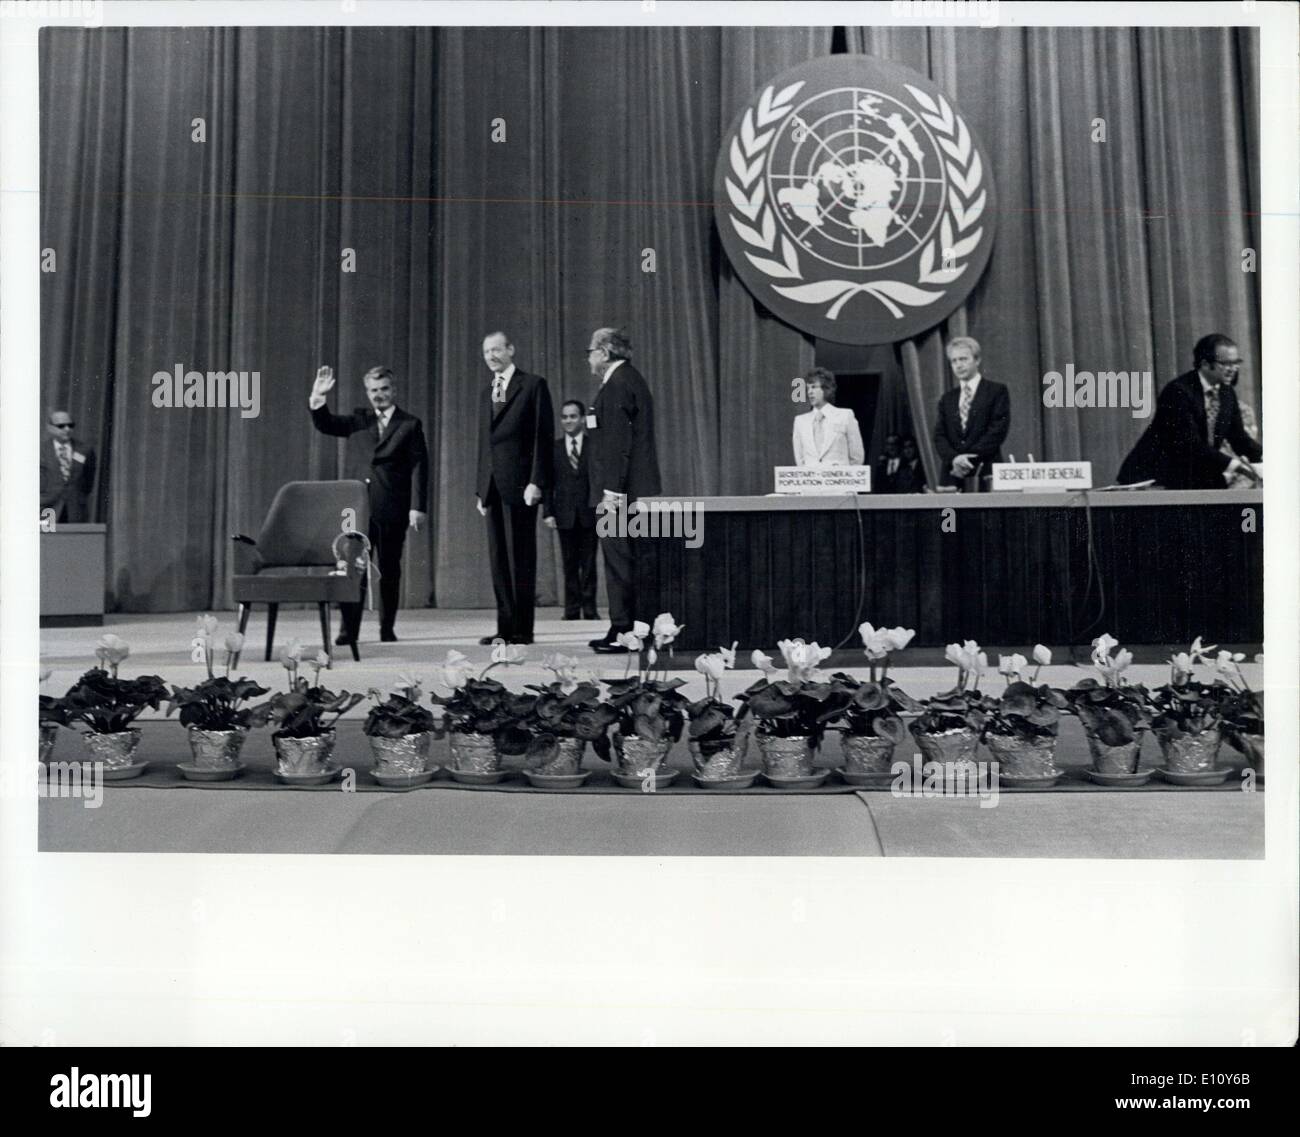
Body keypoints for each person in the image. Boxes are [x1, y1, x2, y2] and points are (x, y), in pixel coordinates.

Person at [308, 365, 429, 644]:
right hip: (356, 510)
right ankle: (348, 631)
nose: (379, 395)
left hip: (392, 507)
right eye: (373, 390)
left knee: (389, 569)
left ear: (394, 390)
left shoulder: (409, 424)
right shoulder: (358, 420)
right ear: (367, 392)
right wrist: (318, 396)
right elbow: (325, 424)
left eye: (384, 389)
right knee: (353, 570)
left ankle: (387, 628)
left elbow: (420, 467)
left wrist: (418, 507)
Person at [583, 327, 661, 655]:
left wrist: (612, 492)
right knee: (627, 560)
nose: (588, 357)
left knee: (619, 560)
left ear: (604, 352)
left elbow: (617, 445)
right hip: (631, 490)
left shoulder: (617, 384)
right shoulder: (628, 380)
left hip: (620, 493)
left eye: (590, 351)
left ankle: (624, 628)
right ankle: (626, 626)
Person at [474, 331, 554, 645]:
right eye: (486, 352)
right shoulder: (485, 392)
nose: (491, 356)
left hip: (521, 485)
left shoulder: (533, 385)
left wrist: (536, 481)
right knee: (498, 560)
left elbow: (541, 438)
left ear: (511, 349)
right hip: (492, 487)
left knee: (520, 557)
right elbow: (485, 444)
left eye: (496, 350)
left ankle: (523, 629)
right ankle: (505, 628)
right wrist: (480, 488)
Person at [1117, 334, 1262, 489]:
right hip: (1156, 477)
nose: (1233, 369)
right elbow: (1190, 444)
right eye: (1226, 363)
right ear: (1205, 364)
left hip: (1196, 473)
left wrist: (1267, 458)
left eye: (1236, 363)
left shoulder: (1226, 393)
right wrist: (1236, 466)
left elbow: (1238, 438)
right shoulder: (1178, 391)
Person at [543, 400, 600, 621]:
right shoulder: (554, 448)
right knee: (568, 564)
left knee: (589, 563)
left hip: (589, 513)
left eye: (573, 416)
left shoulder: (593, 445)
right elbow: (548, 482)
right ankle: (571, 609)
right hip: (564, 514)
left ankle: (590, 609)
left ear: (583, 419)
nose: (568, 421)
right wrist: (548, 512)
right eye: (564, 417)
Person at [933, 336, 1010, 490]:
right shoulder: (947, 398)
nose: (958, 365)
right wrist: (955, 458)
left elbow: (997, 430)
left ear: (977, 360)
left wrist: (968, 458)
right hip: (953, 474)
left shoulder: (996, 391)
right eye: (954, 361)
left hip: (986, 470)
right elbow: (939, 435)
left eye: (963, 359)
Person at [792, 367, 865, 466]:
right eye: (808, 388)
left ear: (826, 389)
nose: (809, 392)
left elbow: (857, 457)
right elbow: (800, 460)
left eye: (813, 387)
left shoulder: (845, 416)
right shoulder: (800, 421)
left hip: (839, 479)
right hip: (811, 480)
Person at [39, 409, 96, 523]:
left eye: (70, 425)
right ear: (50, 428)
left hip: (75, 509)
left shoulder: (85, 450)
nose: (67, 429)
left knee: (73, 540)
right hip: (47, 507)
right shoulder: (39, 450)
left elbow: (88, 481)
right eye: (61, 426)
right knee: (47, 539)